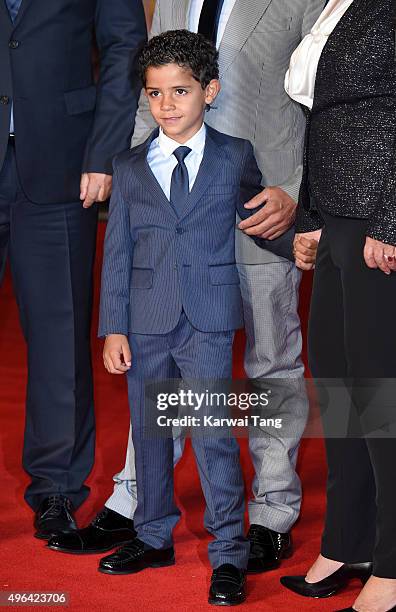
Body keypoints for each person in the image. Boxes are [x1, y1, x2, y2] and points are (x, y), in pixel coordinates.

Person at [49, 0, 324, 573]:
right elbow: (154, 90)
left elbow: (327, 95)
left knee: (271, 361)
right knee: (161, 364)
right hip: (168, 207)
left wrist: (299, 189)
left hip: (260, 203)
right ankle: (138, 504)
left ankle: (271, 512)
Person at [96, 30, 294, 606]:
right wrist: (113, 327)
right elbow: (118, 252)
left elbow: (261, 216)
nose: (167, 105)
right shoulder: (129, 166)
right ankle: (152, 534)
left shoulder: (234, 155)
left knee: (211, 437)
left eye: (180, 91)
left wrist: (307, 238)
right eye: (154, 94)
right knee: (151, 435)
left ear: (210, 91)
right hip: (145, 319)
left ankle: (228, 551)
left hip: (207, 320)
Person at [0, 0, 147, 538]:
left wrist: (104, 150)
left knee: (60, 335)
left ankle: (57, 487)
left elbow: (124, 49)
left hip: (63, 161)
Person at [281, 1, 396, 611]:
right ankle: (349, 540)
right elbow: (324, 121)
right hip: (337, 217)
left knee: (381, 389)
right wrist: (312, 218)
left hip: (380, 219)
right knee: (340, 384)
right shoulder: (334, 3)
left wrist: (394, 221)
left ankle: (394, 560)